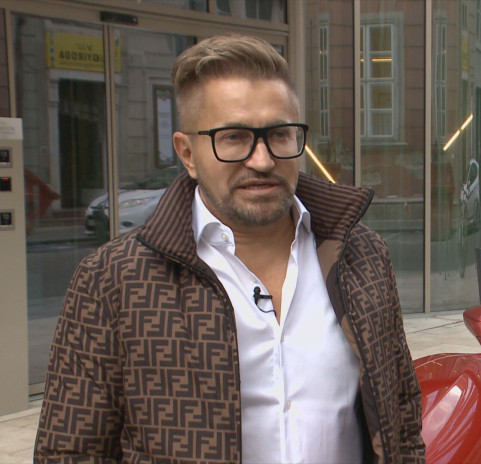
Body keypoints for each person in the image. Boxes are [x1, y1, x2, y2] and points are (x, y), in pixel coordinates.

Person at [35, 34, 425, 463]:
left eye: (279, 134)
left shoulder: (360, 255)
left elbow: (401, 412)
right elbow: (69, 452)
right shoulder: (114, 280)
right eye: (234, 137)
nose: (262, 160)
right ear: (187, 153)